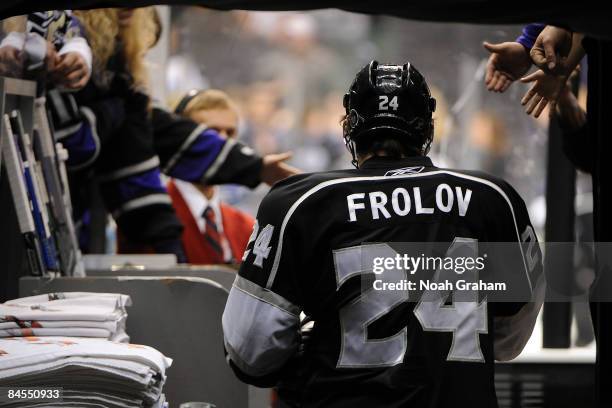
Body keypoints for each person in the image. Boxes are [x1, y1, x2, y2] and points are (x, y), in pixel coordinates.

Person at [222, 60, 544, 407]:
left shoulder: (301, 203)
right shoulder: (493, 199)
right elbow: (509, 341)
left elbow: (251, 353)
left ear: (350, 125)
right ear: (426, 127)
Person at [168, 89, 256, 264]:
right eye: (211, 134)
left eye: (230, 133)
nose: (223, 143)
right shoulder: (151, 216)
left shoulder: (246, 228)